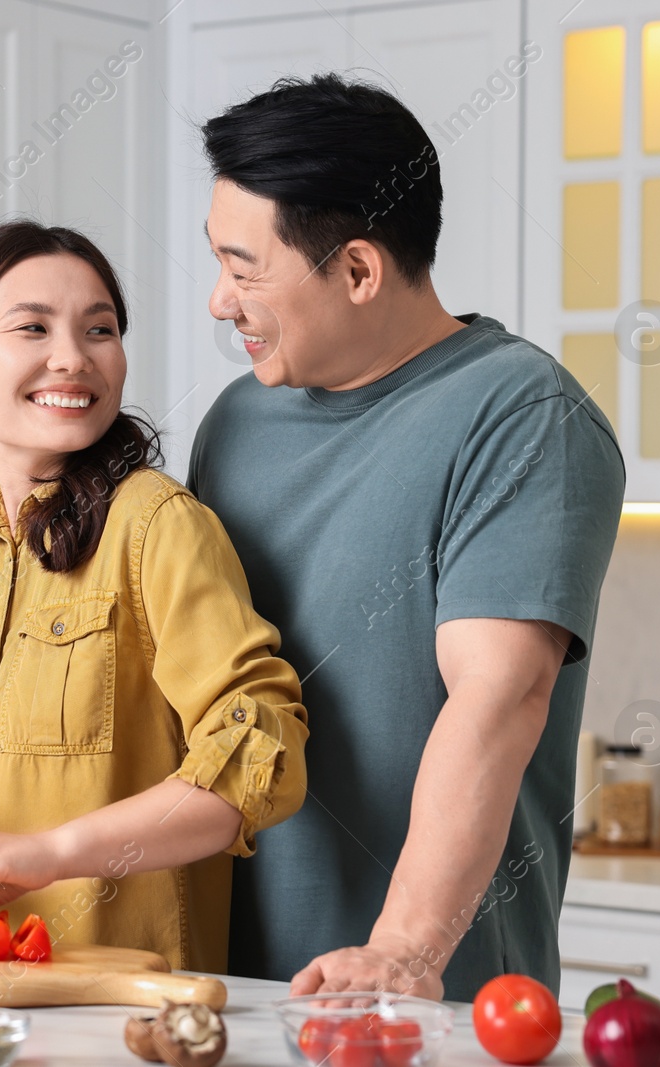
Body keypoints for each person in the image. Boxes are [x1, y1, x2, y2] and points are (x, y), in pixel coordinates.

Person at [189, 73, 625, 1000]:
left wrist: (401, 953)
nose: (219, 302)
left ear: (356, 270)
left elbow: (500, 697)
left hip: (431, 1001)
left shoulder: (521, 415)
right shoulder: (234, 425)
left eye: (243, 267)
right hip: (230, 989)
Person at [0, 220, 308, 972]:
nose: (74, 357)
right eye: (33, 327)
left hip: (124, 1018)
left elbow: (257, 755)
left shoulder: (156, 527)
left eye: (100, 329)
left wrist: (51, 853)